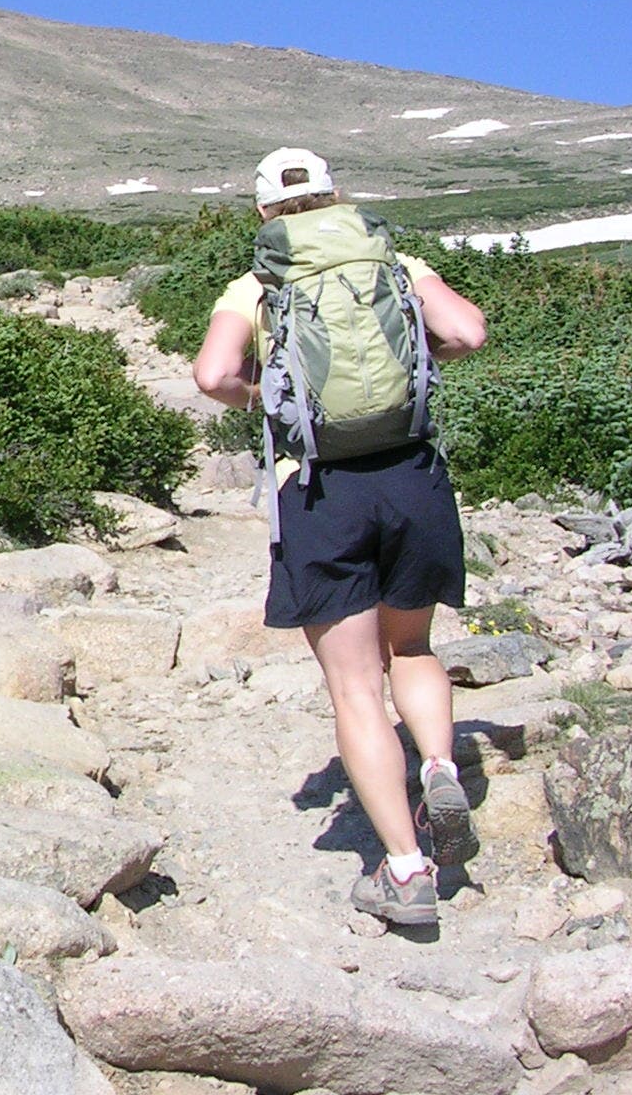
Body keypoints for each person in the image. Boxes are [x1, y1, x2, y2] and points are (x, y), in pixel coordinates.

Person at [193, 147, 489, 926]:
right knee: (414, 649)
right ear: (337, 196)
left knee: (356, 688)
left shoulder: (258, 283)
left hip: (322, 488)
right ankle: (435, 764)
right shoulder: (395, 259)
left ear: (261, 211)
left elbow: (212, 375)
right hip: (413, 477)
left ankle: (403, 868)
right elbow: (468, 331)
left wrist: (270, 395)